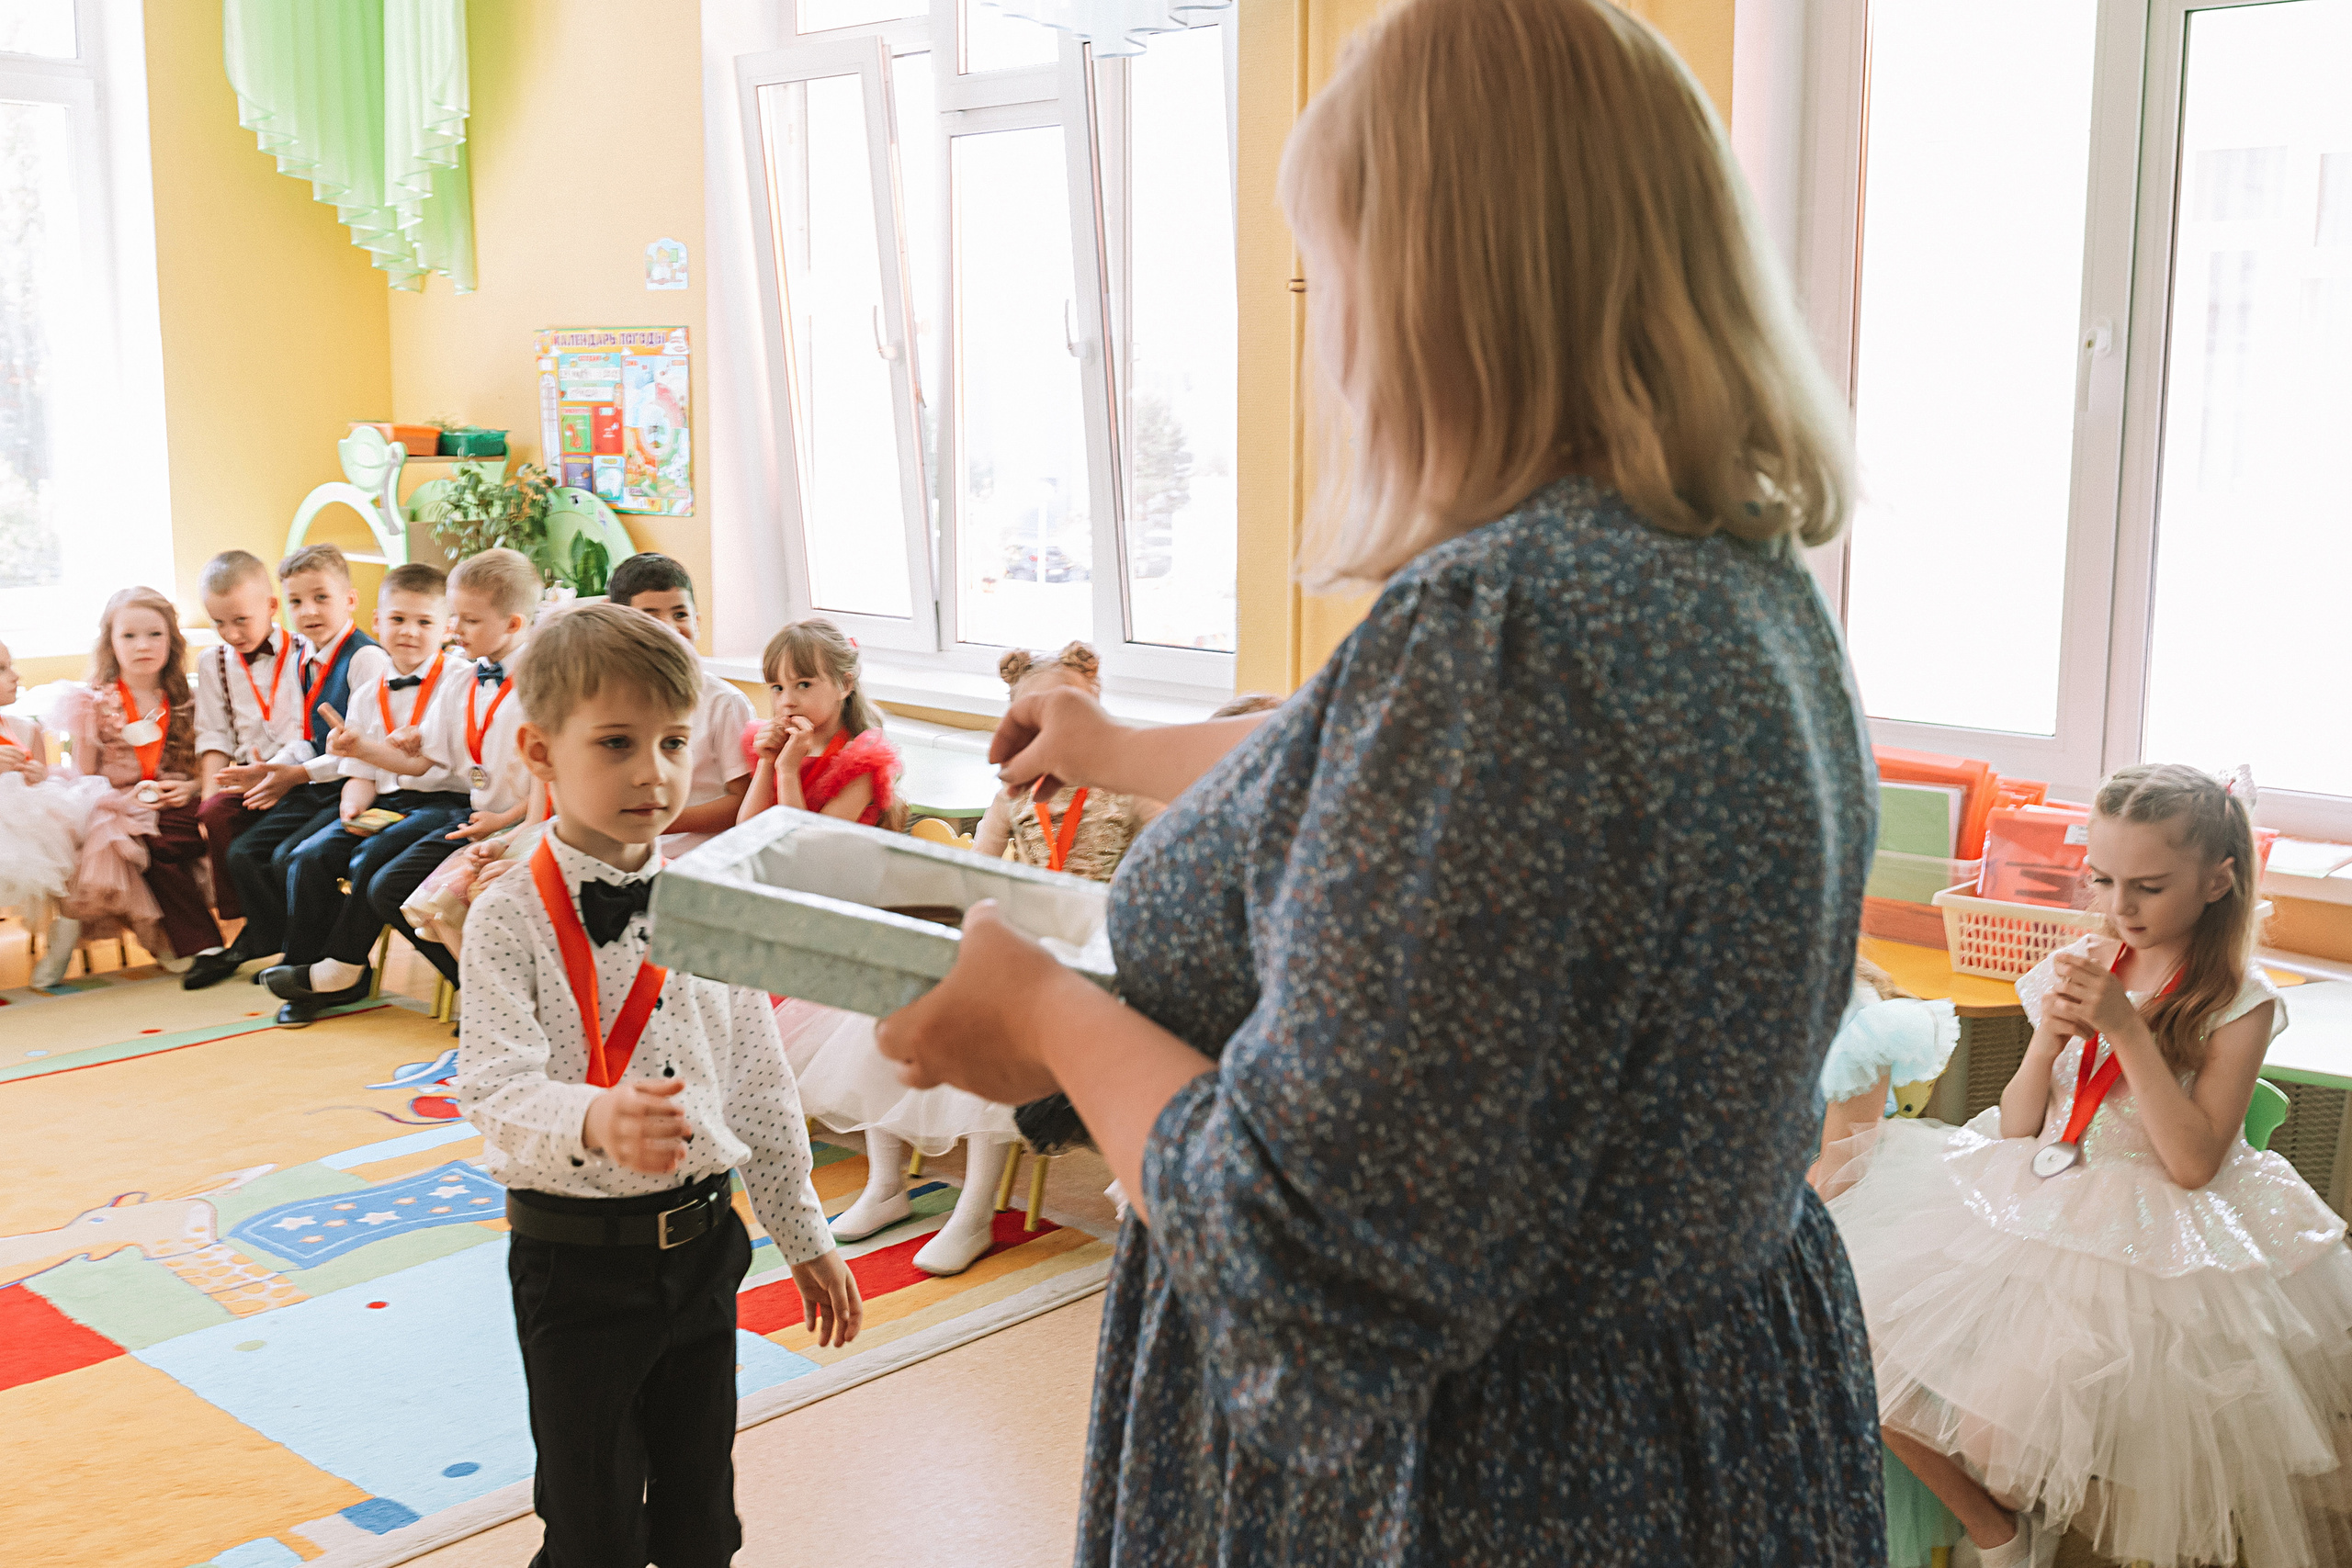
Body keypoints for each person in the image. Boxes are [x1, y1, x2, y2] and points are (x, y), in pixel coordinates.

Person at [873, 1, 1881, 1561]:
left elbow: (1309, 1252)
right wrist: (1123, 745)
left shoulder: (1501, 634)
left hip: (1493, 1477)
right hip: (1708, 1407)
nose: (1323, 333)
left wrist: (1045, 1019)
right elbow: (1385, 802)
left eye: (1321, 274)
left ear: (1441, 288)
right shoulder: (1728, 576)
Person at [1827, 763, 2352, 1568]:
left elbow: (2191, 1163)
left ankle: (2039, 1526)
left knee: (1999, 1439)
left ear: (2219, 881)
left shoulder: (2241, 1001)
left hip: (2157, 1219)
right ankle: (2003, 1531)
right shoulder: (2087, 957)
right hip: (2036, 1181)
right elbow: (2017, 1124)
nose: (2119, 907)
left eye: (2147, 885)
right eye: (2103, 881)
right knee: (1855, 1344)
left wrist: (2128, 1030)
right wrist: (2048, 1039)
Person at [454, 603, 861, 1568]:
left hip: (703, 1250)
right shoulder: (506, 916)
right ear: (541, 752)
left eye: (675, 742)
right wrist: (594, 1114)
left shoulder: (705, 903)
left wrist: (802, 1230)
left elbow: (760, 1083)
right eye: (616, 743)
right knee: (590, 1524)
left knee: (700, 1519)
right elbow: (497, 1089)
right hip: (575, 1266)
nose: (654, 772)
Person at [260, 563, 474, 1026]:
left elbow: (454, 760)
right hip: (387, 804)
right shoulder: (368, 689)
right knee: (308, 856)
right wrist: (352, 805)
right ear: (377, 622)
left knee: (367, 860)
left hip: (444, 803)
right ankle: (305, 973)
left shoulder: (460, 678)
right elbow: (357, 770)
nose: (410, 633)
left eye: (424, 622)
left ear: (446, 628)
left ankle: (341, 966)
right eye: (398, 620)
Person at [184, 545, 387, 989]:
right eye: (298, 601)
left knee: (290, 857)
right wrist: (275, 767)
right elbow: (307, 737)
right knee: (242, 850)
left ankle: (308, 960)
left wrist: (292, 774)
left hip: (353, 786)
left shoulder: (365, 658)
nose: (308, 611)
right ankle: (279, 943)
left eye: (321, 598)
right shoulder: (308, 656)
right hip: (314, 777)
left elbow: (365, 750)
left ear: (350, 600)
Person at [361, 546, 539, 992]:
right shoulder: (462, 677)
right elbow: (421, 761)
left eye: (470, 620)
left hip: (523, 822)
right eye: (454, 616)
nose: (453, 628)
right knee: (386, 890)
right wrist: (363, 748)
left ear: (514, 624)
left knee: (469, 903)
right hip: (477, 820)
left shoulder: (544, 683)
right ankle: (481, 999)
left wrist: (504, 821)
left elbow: (556, 779)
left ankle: (502, 1005)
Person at [52, 588, 225, 973]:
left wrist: (193, 787)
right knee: (145, 841)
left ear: (173, 641)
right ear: (110, 642)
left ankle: (191, 941)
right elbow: (84, 779)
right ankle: (189, 943)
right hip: (117, 807)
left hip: (177, 801)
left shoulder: (190, 699)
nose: (142, 646)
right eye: (128, 636)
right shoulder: (92, 703)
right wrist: (122, 800)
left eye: (154, 634)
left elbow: (208, 765)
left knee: (188, 832)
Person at [603, 552, 754, 857]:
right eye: (649, 616)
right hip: (619, 853)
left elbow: (744, 802)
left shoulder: (724, 703)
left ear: (697, 623)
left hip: (691, 858)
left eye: (680, 614)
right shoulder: (606, 698)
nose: (669, 627)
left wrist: (657, 821)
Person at [971, 644, 1159, 875]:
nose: (1057, 732)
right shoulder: (1013, 794)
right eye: (1039, 719)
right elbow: (977, 866)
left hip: (1105, 908)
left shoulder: (1125, 786)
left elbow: (1175, 839)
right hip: (1035, 908)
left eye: (1072, 716)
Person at [192, 550, 304, 924]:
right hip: (246, 777)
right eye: (219, 623)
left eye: (241, 620)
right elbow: (214, 734)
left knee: (269, 846)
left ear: (272, 606)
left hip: (297, 774)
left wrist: (280, 772)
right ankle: (251, 920)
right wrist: (210, 792)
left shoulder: (304, 652)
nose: (231, 634)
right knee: (214, 813)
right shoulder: (214, 662)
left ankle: (285, 919)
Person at [0, 637, 110, 984]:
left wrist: (36, 773)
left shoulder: (25, 728)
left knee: (77, 836)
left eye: (10, 666)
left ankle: (63, 940)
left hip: (30, 819)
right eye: (1, 670)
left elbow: (42, 781)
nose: (14, 676)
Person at [734, 617, 902, 829]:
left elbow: (805, 844)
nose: (787, 702)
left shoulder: (861, 763)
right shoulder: (777, 744)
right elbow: (747, 831)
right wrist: (766, 763)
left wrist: (787, 771)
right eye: (777, 688)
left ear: (844, 684)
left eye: (803, 684)